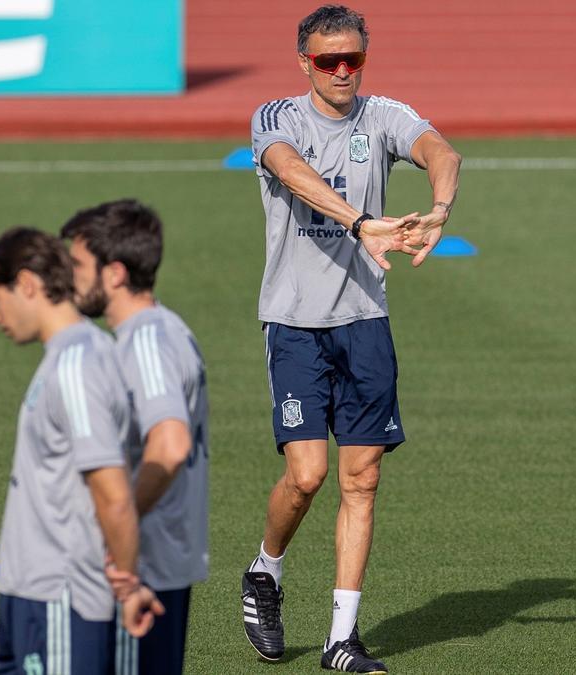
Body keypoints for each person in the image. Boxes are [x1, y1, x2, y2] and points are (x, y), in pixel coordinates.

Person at [242, 5, 462, 673]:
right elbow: (288, 170)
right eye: (327, 60)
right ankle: (266, 571)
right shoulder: (276, 117)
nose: (341, 71)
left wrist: (441, 209)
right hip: (297, 322)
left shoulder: (383, 116)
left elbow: (442, 151)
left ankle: (342, 638)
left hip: (365, 323)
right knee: (307, 475)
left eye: (353, 60)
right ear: (304, 62)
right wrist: (361, 222)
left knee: (360, 480)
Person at [0, 227, 164, 675]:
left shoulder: (77, 365)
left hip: (59, 594)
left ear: (28, 285)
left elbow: (112, 491)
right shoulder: (68, 357)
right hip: (31, 591)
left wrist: (129, 586)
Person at [60, 200, 209, 675]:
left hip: (138, 566)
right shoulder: (166, 329)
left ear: (116, 273)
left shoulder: (144, 342)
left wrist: (118, 522)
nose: (69, 278)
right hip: (154, 562)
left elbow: (170, 444)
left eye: (79, 265)